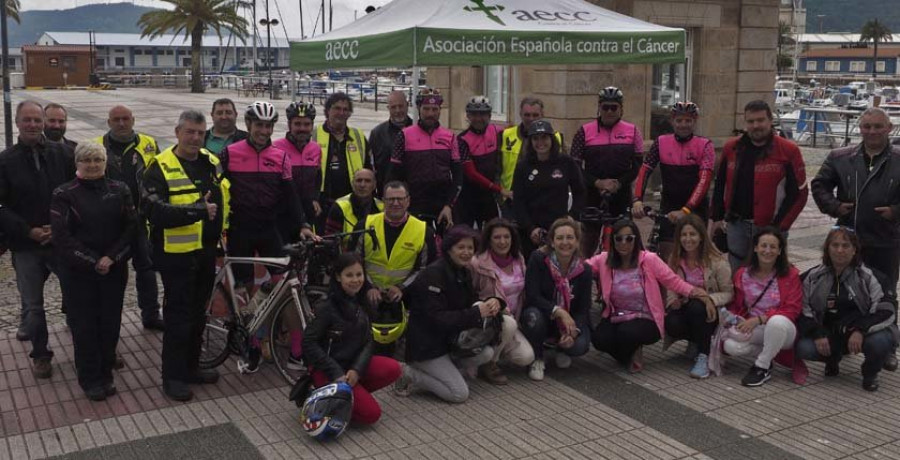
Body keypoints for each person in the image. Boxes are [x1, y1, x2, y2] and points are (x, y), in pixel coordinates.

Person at [142, 109, 230, 401]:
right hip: (176, 256)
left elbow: (222, 199)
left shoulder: (211, 162)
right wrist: (196, 210)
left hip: (205, 251)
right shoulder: (159, 166)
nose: (195, 138)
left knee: (198, 315)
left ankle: (192, 367)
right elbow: (154, 211)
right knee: (178, 318)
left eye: (200, 133)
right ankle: (172, 377)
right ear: (178, 132)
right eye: (189, 132)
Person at [50, 142, 136, 400]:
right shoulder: (63, 194)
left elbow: (131, 229)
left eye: (97, 160)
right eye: (86, 160)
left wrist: (111, 258)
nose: (92, 165)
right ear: (77, 163)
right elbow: (62, 237)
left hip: (113, 268)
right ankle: (89, 378)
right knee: (84, 326)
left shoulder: (119, 189)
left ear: (105, 163)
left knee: (110, 324)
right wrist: (93, 261)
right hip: (78, 273)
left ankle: (106, 372)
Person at [0, 100, 75, 378]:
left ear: (43, 122)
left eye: (37, 120)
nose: (32, 125)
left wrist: (59, 227)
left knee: (77, 297)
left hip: (62, 242)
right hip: (25, 245)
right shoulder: (5, 161)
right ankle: (41, 354)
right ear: (17, 123)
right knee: (33, 306)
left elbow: (76, 192)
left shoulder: (64, 154)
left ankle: (86, 347)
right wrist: (27, 230)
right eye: (26, 120)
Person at [394, 225, 503, 402]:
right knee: (459, 394)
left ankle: (446, 371)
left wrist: (492, 302)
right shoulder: (433, 274)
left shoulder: (463, 272)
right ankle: (409, 373)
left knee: (487, 354)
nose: (466, 252)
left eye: (470, 248)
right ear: (448, 249)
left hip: (449, 342)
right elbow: (436, 318)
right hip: (427, 347)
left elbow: (472, 303)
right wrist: (476, 312)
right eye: (461, 247)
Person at [220, 101, 314, 292]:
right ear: (248, 125)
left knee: (284, 279)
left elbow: (291, 195)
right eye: (259, 125)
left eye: (268, 126)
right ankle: (242, 319)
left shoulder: (281, 157)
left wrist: (303, 224)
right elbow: (214, 188)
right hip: (240, 229)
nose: (264, 131)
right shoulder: (230, 153)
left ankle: (267, 312)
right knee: (242, 284)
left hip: (269, 228)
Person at [589, 219, 706, 373]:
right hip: (616, 316)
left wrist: (696, 292)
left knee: (626, 332)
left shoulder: (649, 259)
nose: (624, 243)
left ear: (636, 239)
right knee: (599, 340)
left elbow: (673, 281)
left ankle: (633, 350)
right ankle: (629, 355)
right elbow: (581, 268)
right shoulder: (604, 260)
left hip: (646, 318)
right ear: (613, 240)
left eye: (629, 238)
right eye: (619, 238)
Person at [302, 253, 401, 424]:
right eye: (349, 275)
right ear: (338, 277)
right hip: (328, 369)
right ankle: (322, 393)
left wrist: (356, 369)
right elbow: (309, 342)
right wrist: (336, 372)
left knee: (393, 368)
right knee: (371, 415)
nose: (355, 280)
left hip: (351, 366)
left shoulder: (363, 300)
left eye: (359, 274)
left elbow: (369, 340)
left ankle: (347, 397)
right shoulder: (326, 306)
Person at [711, 100, 808, 271]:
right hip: (736, 225)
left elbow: (799, 194)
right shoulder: (731, 148)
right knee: (737, 275)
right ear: (745, 123)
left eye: (760, 120)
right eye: (751, 121)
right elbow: (720, 185)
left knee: (769, 277)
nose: (756, 125)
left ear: (770, 121)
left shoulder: (789, 151)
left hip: (771, 226)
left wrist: (780, 227)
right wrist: (717, 218)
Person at [796, 227, 896, 391]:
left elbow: (887, 310)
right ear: (827, 249)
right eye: (835, 245)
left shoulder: (871, 277)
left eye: (845, 245)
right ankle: (832, 359)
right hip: (830, 333)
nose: (840, 250)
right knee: (803, 347)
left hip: (863, 333)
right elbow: (802, 309)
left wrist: (860, 330)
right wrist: (817, 333)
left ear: (854, 249)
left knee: (881, 342)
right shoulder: (813, 277)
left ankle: (870, 373)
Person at [94, 105, 163, 331]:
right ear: (109, 122)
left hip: (141, 220)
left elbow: (160, 176)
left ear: (133, 120)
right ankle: (107, 318)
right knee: (111, 273)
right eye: (116, 119)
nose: (121, 123)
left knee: (147, 269)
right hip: (110, 224)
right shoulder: (97, 145)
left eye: (125, 119)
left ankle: (151, 314)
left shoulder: (149, 144)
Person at [353, 181, 436, 355]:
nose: (395, 203)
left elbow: (425, 269)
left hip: (403, 296)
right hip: (366, 291)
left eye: (400, 199)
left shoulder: (423, 230)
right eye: (390, 199)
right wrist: (368, 288)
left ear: (408, 201)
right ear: (383, 201)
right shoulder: (365, 225)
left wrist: (402, 289)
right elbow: (353, 261)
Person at [720, 227, 803, 387]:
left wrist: (759, 319)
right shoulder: (742, 274)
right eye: (763, 246)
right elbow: (736, 305)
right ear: (756, 248)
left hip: (784, 329)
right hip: (755, 328)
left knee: (776, 322)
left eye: (773, 247)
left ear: (780, 251)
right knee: (731, 346)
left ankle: (762, 367)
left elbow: (792, 309)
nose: (767, 250)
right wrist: (733, 319)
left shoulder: (790, 274)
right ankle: (769, 353)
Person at [632, 101, 715, 260]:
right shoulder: (661, 142)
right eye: (679, 120)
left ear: (694, 121)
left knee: (694, 259)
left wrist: (686, 210)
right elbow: (645, 169)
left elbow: (704, 181)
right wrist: (637, 200)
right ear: (672, 121)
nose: (683, 125)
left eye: (688, 121)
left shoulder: (705, 145)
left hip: (695, 208)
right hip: (669, 206)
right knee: (666, 258)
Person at [570, 87, 643, 257]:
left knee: (623, 245)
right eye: (605, 107)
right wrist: (597, 183)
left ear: (621, 109)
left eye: (614, 107)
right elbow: (575, 167)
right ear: (599, 107)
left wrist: (619, 183)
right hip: (592, 194)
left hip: (621, 193)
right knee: (586, 245)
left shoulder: (633, 131)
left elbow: (638, 166)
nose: (609, 111)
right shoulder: (584, 131)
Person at [521, 218, 592, 381]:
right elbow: (532, 295)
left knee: (579, 346)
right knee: (533, 317)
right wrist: (558, 311)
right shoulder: (538, 259)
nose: (565, 242)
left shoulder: (585, 270)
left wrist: (574, 332)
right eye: (559, 238)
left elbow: (583, 308)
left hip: (568, 321)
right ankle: (537, 358)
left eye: (570, 237)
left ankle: (562, 348)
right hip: (544, 315)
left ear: (577, 242)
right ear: (552, 242)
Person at [664, 214, 733, 378]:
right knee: (671, 322)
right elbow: (670, 286)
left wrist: (710, 299)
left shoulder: (717, 261)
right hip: (685, 306)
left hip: (711, 311)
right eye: (684, 235)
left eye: (692, 234)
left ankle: (704, 355)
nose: (688, 239)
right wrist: (673, 300)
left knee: (697, 307)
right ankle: (696, 341)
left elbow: (729, 293)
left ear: (701, 236)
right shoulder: (674, 259)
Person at [469, 218, 535, 384]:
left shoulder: (518, 259)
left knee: (526, 357)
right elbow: (470, 293)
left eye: (507, 237)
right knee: (508, 324)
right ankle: (489, 363)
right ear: (489, 240)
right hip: (490, 318)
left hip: (513, 318)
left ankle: (494, 350)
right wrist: (490, 304)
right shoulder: (478, 263)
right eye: (497, 237)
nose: (502, 241)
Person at [389, 88, 460, 229]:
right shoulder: (404, 135)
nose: (430, 114)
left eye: (435, 109)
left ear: (440, 110)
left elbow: (458, 176)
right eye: (426, 109)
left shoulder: (450, 136)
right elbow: (393, 175)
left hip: (443, 204)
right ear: (418, 109)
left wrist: (449, 205)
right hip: (414, 204)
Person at [512, 120, 585, 256]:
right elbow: (518, 201)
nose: (540, 143)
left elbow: (580, 191)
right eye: (536, 138)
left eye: (544, 138)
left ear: (551, 139)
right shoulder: (523, 166)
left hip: (560, 228)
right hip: (532, 231)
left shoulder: (566, 162)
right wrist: (530, 228)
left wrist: (572, 216)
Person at [313, 93, 371, 230]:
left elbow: (369, 168)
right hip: (322, 202)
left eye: (345, 109)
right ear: (328, 111)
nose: (341, 113)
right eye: (337, 108)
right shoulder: (314, 135)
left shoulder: (358, 136)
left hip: (352, 202)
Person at [499, 97, 564, 207]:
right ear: (520, 114)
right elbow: (496, 167)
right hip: (511, 198)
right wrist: (500, 192)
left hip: (542, 199)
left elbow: (562, 168)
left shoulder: (556, 137)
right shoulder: (506, 135)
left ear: (542, 115)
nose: (531, 119)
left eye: (535, 115)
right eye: (527, 115)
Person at [273, 101, 323, 240]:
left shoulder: (316, 148)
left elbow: (318, 176)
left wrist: (315, 198)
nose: (302, 128)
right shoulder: (275, 148)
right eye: (297, 124)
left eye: (306, 124)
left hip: (307, 213)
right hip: (282, 213)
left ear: (312, 126)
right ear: (289, 125)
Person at [457, 96, 505, 228]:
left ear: (489, 115)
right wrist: (498, 189)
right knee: (465, 235)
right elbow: (471, 173)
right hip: (468, 197)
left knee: (492, 233)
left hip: (488, 197)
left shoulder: (497, 131)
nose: (478, 119)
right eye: (474, 114)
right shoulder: (462, 139)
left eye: (483, 114)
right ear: (468, 116)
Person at [369, 90, 412, 195]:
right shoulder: (377, 133)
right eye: (393, 107)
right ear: (388, 108)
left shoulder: (418, 129)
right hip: (387, 193)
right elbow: (371, 165)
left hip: (414, 193)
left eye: (401, 106)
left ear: (407, 105)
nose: (397, 110)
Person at [324, 168, 382, 238]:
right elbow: (330, 239)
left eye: (367, 181)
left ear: (374, 185)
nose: (362, 185)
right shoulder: (339, 207)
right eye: (359, 181)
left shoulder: (382, 208)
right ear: (352, 184)